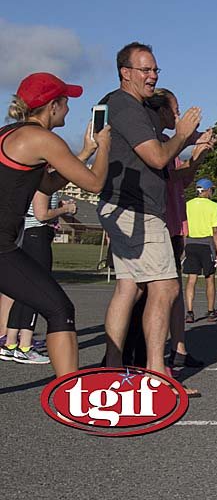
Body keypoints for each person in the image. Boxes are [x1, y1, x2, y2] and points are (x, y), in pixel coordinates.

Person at [99, 42, 201, 376]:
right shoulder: (126, 106)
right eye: (146, 69)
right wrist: (183, 135)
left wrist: (188, 141)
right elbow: (157, 157)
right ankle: (158, 373)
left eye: (155, 69)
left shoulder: (121, 105)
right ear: (125, 73)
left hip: (121, 205)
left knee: (128, 287)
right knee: (167, 287)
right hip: (137, 208)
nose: (153, 76)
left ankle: (113, 368)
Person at [1, 72, 109, 376]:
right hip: (1, 247)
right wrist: (104, 146)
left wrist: (84, 153)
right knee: (59, 309)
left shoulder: (10, 134)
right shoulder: (42, 138)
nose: (69, 109)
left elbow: (47, 185)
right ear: (52, 106)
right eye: (66, 102)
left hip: (6, 244)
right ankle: (71, 393)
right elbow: (95, 183)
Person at [147, 88, 214, 368]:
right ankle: (149, 357)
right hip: (157, 225)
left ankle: (179, 348)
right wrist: (189, 143)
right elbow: (169, 174)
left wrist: (197, 154)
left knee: (172, 292)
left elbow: (181, 180)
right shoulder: (154, 144)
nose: (178, 115)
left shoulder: (167, 142)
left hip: (174, 226)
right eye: (175, 110)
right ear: (160, 111)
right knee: (157, 294)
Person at [0, 191, 75, 365]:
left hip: (31, 235)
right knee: (38, 292)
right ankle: (25, 346)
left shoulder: (42, 181)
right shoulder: (44, 182)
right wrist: (65, 209)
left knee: (24, 291)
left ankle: (11, 343)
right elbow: (41, 214)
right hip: (37, 236)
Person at [183, 178, 217, 322]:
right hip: (206, 244)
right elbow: (216, 231)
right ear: (207, 190)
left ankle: (189, 312)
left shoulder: (187, 205)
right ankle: (211, 311)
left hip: (191, 243)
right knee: (210, 278)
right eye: (212, 189)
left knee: (191, 279)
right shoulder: (214, 207)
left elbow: (184, 227)